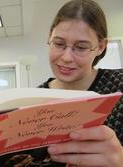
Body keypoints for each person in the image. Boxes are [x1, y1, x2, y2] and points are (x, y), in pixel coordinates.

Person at [38, 0, 123, 166]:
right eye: (59, 44)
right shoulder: (35, 99)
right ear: (49, 37)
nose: (67, 57)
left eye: (81, 47)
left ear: (100, 46)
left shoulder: (119, 85)